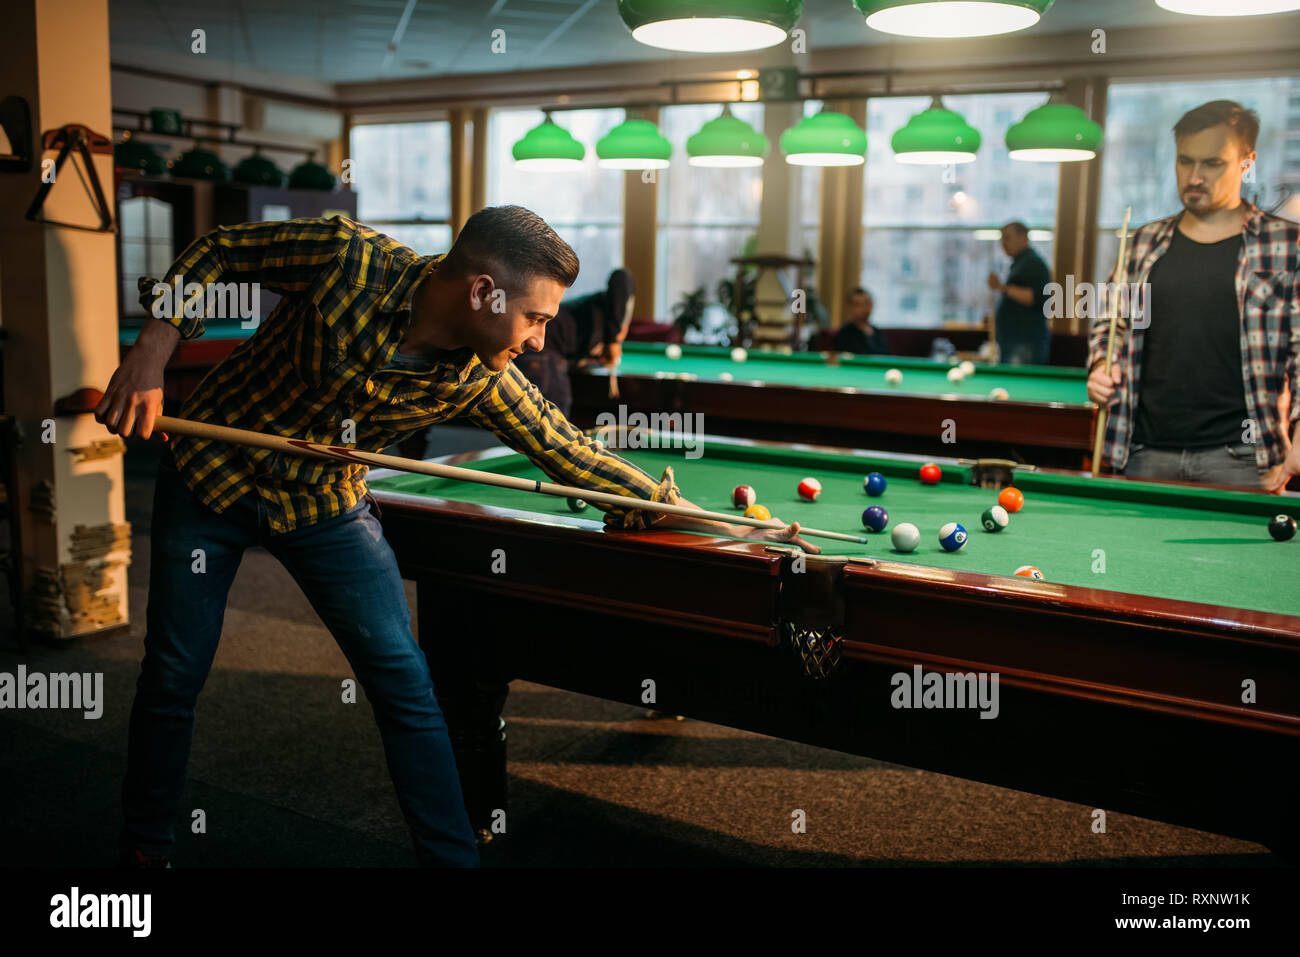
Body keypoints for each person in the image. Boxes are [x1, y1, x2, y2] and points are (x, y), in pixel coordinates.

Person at [96, 206, 817, 868]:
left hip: (324, 505)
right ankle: (145, 844)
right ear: (483, 294)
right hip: (211, 475)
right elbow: (221, 251)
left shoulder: (483, 376)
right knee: (173, 673)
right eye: (534, 318)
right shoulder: (346, 257)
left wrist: (670, 507)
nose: (541, 338)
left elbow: (568, 451)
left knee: (405, 684)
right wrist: (153, 352)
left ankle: (451, 863)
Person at [1087, 100, 1300, 491]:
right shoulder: (1141, 243)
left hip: (1244, 457)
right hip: (1143, 451)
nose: (1195, 176)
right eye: (1185, 161)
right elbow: (1111, 320)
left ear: (1246, 162)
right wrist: (1101, 362)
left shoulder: (1286, 244)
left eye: (1213, 163)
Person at [513, 268, 635, 415]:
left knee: (547, 419)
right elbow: (621, 276)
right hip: (541, 350)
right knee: (555, 417)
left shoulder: (596, 327)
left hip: (544, 352)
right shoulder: (611, 306)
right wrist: (613, 341)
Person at [987, 222, 1052, 365]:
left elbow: (1034, 297)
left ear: (1023, 237)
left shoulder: (1033, 263)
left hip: (1024, 344)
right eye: (1002, 239)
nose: (1003, 243)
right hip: (1014, 342)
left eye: (1007, 238)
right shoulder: (1020, 262)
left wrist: (1001, 287)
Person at [832, 287, 890, 355]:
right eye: (858, 305)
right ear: (849, 308)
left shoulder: (876, 331)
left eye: (867, 303)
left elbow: (887, 354)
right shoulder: (845, 333)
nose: (864, 308)